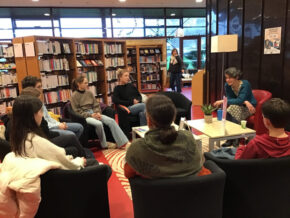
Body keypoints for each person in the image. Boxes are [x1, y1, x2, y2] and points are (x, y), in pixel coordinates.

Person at [125, 94, 203, 179]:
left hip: (154, 192)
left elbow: (128, 174)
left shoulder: (137, 148)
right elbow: (198, 164)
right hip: (189, 191)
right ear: (173, 118)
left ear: (149, 120)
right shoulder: (188, 138)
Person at [70, 75, 129, 149]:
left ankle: (123, 143)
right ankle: (104, 145)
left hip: (94, 113)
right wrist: (91, 115)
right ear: (79, 84)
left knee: (111, 121)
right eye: (85, 83)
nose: (87, 84)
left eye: (87, 83)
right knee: (98, 124)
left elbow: (96, 104)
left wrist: (97, 113)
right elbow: (77, 111)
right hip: (86, 116)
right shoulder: (74, 96)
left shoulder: (89, 93)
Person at [213, 67, 257, 147]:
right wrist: (244, 101)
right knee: (231, 109)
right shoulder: (227, 85)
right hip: (238, 106)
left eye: (230, 78)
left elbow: (239, 100)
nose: (227, 80)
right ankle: (233, 138)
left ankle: (233, 138)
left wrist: (223, 101)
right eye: (226, 78)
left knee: (231, 109)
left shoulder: (245, 84)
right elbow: (232, 99)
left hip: (249, 108)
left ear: (236, 77)